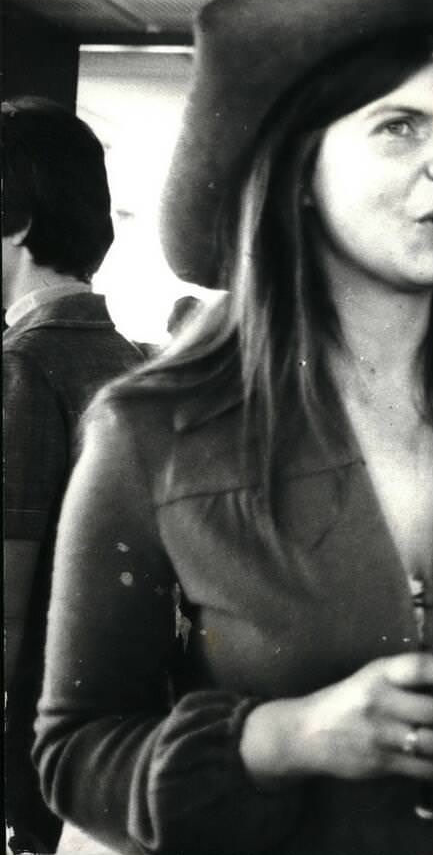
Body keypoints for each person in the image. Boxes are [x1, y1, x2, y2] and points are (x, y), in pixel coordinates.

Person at [32, 0, 433, 855]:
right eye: (402, 127)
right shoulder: (153, 433)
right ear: (300, 176)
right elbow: (74, 755)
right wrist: (288, 738)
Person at [2, 97, 145, 855]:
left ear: (18, 220)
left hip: (34, 748)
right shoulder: (134, 366)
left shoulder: (23, 367)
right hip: (119, 741)